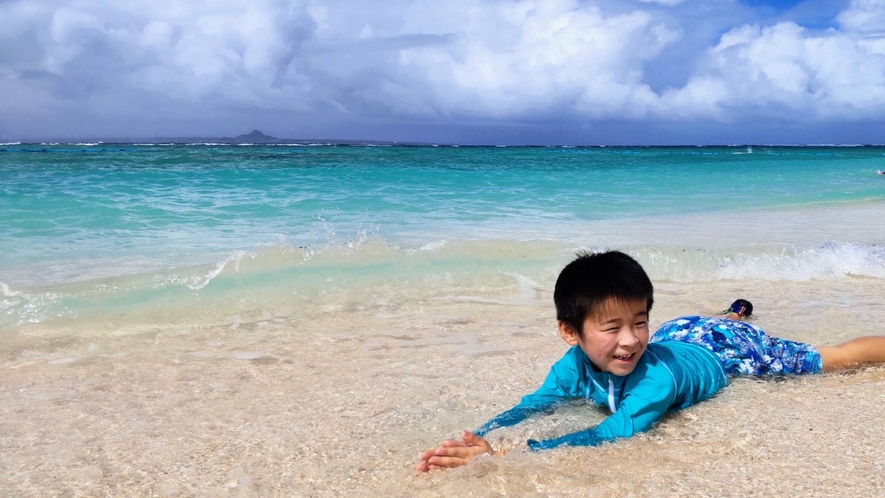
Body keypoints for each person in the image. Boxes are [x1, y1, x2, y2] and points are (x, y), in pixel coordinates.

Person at [415, 250, 885, 471]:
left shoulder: (653, 379)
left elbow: (613, 432)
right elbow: (534, 404)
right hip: (679, 331)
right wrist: (482, 434)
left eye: (639, 321)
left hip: (725, 349)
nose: (629, 340)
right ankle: (733, 311)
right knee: (710, 320)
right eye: (611, 326)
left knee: (828, 359)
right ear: (569, 332)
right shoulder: (572, 365)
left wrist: (508, 454)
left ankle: (737, 319)